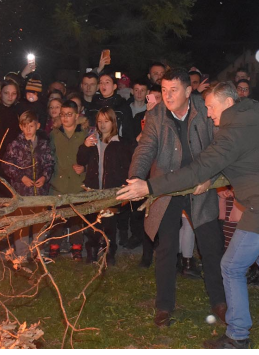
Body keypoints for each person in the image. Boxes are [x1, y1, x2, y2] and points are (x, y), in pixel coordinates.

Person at [118, 81, 259, 349]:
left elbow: (197, 169)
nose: (207, 113)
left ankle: (238, 335)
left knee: (231, 266)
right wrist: (214, 174)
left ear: (228, 103)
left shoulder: (231, 133)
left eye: (211, 107)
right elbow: (249, 158)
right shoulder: (256, 113)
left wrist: (148, 186)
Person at [121, 68, 226, 328]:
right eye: (164, 90)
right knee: (166, 247)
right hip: (167, 188)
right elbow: (145, 149)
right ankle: (164, 306)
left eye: (174, 90)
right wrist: (136, 177)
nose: (167, 96)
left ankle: (220, 302)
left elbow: (220, 146)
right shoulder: (156, 115)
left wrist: (209, 177)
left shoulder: (205, 109)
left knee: (211, 245)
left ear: (188, 91)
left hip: (199, 186)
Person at [76, 107, 135, 266]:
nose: (102, 125)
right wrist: (85, 146)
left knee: (109, 226)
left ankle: (109, 253)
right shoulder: (93, 141)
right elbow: (80, 160)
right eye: (99, 121)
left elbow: (127, 167)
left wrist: (123, 188)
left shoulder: (121, 144)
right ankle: (92, 252)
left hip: (111, 192)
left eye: (106, 121)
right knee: (92, 224)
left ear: (113, 122)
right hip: (93, 190)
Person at [2, 110, 54, 260]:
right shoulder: (15, 145)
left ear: (37, 126)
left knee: (40, 222)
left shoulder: (43, 145)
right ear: (21, 127)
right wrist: (21, 177)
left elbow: (49, 163)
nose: (28, 129)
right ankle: (22, 254)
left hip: (40, 192)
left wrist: (44, 177)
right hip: (22, 192)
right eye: (25, 126)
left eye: (31, 126)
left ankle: (38, 251)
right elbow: (7, 165)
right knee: (22, 223)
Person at [48, 100, 88, 261]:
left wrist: (84, 167)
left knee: (76, 217)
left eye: (69, 114)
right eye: (62, 114)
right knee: (57, 217)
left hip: (78, 182)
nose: (65, 118)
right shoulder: (54, 134)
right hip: (59, 182)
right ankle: (54, 246)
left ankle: (76, 247)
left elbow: (91, 157)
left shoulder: (84, 135)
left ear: (77, 116)